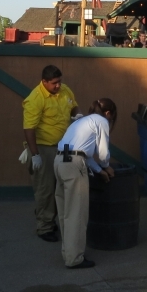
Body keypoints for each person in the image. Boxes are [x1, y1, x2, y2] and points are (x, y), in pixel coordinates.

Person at [54, 98, 117, 269]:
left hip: (60, 160)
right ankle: (74, 258)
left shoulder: (82, 121)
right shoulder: (102, 121)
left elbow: (83, 154)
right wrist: (106, 167)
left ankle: (67, 252)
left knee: (65, 211)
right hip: (74, 164)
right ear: (108, 113)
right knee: (77, 212)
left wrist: (98, 170)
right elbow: (103, 153)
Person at [22, 65, 77, 242]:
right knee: (45, 188)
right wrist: (35, 154)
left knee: (66, 183)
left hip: (65, 145)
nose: (58, 86)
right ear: (44, 82)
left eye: (59, 81)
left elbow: (73, 106)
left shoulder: (65, 90)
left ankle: (58, 219)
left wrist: (78, 115)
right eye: (54, 83)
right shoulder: (35, 99)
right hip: (45, 147)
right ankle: (45, 226)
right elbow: (29, 128)